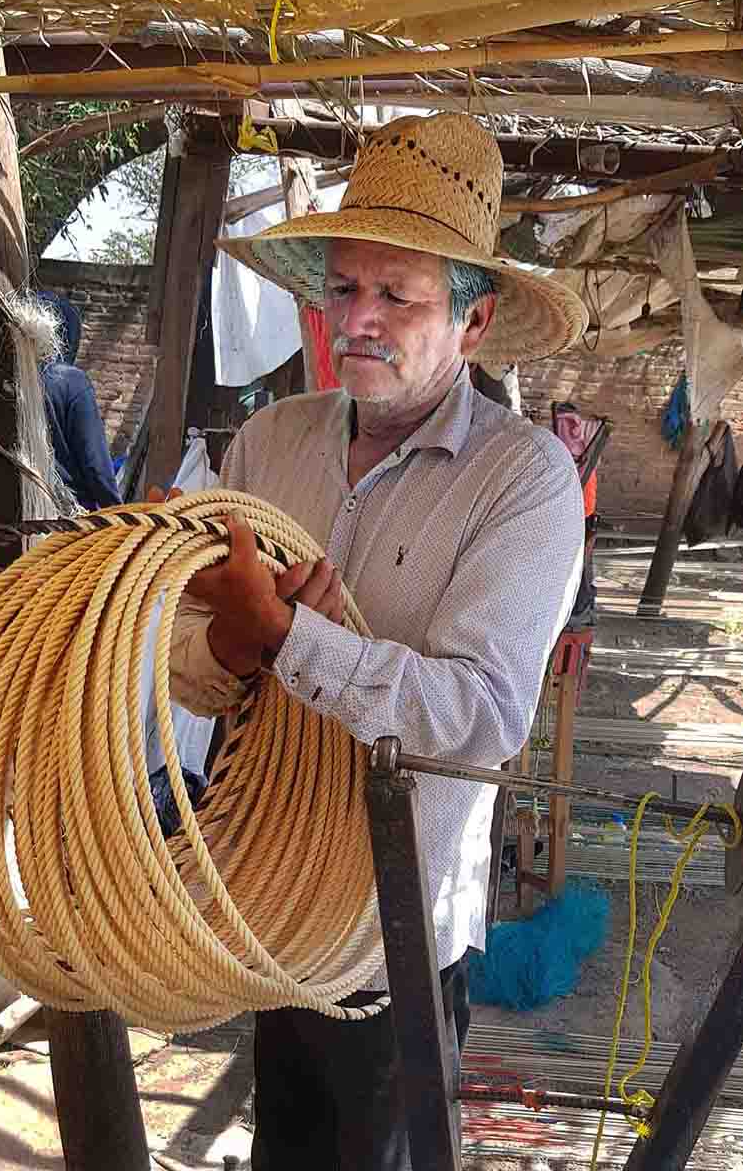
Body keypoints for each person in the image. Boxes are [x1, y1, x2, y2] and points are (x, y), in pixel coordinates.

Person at [164, 113, 588, 1170]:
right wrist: (231, 644)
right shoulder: (270, 442)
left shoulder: (523, 480)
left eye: (398, 297)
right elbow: (181, 658)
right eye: (345, 288)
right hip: (264, 902)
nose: (359, 319)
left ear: (474, 323)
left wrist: (293, 637)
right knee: (287, 1150)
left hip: (393, 932)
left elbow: (482, 719)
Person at [36, 292, 122, 511]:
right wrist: (118, 513)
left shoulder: (9, 380)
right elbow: (96, 467)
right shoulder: (70, 381)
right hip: (65, 512)